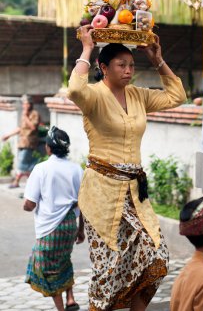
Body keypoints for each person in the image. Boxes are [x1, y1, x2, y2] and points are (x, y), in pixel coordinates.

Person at [67, 24, 187, 311]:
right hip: (101, 194)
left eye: (132, 65)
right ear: (103, 67)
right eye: (121, 65)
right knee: (107, 270)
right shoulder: (93, 96)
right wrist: (86, 47)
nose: (128, 70)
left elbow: (177, 96)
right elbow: (74, 88)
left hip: (135, 192)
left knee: (155, 258)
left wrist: (157, 59)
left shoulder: (138, 96)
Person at [23, 126, 84, 311]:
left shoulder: (41, 169)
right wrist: (81, 229)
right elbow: (84, 203)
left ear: (48, 147)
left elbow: (30, 204)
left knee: (46, 267)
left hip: (49, 228)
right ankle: (71, 299)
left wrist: (25, 205)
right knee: (64, 259)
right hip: (69, 226)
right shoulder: (76, 169)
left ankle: (61, 309)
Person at [1, 94, 40, 188]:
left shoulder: (34, 114)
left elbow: (33, 127)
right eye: (23, 104)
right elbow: (20, 128)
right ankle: (31, 184)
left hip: (30, 143)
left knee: (22, 163)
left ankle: (17, 181)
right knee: (27, 164)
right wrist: (8, 135)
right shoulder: (24, 115)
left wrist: (26, 116)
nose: (24, 106)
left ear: (30, 104)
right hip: (22, 143)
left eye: (25, 103)